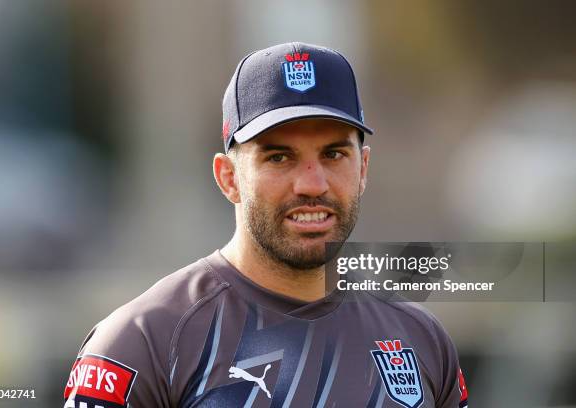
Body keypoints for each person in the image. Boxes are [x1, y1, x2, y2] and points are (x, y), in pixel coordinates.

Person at [63, 42, 469, 408]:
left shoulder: (421, 339)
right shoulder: (143, 342)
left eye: (333, 155)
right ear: (228, 178)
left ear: (362, 169)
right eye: (279, 157)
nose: (312, 183)